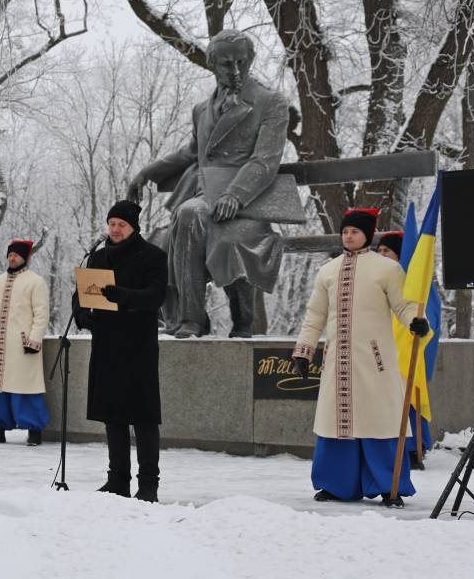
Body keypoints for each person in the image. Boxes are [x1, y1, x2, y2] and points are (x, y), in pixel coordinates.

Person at [126, 29, 289, 338]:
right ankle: (187, 318)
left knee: (190, 215)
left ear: (251, 60)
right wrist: (148, 173)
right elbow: (190, 152)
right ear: (213, 65)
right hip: (205, 197)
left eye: (242, 61)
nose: (236, 70)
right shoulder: (202, 109)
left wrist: (235, 195)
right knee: (171, 230)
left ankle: (194, 319)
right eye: (227, 64)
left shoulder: (270, 102)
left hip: (247, 204)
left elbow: (265, 160)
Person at [292, 210, 429, 507]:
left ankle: (389, 486)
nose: (348, 236)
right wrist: (304, 350)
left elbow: (404, 306)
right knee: (335, 422)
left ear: (368, 234)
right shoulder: (327, 270)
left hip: (375, 361)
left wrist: (416, 322)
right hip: (337, 361)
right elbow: (315, 315)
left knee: (379, 420)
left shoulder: (387, 269)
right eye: (345, 231)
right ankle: (334, 484)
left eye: (355, 231)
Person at [74, 200, 167, 502]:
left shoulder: (153, 256)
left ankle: (148, 485)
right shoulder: (98, 257)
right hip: (106, 345)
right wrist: (83, 315)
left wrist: (123, 296)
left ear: (133, 227)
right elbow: (82, 293)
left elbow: (155, 296)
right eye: (111, 223)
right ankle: (117, 481)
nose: (115, 229)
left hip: (137, 347)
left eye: (121, 225)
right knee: (112, 415)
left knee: (143, 417)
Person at [0, 240, 50, 446]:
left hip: (23, 346)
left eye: (16, 255)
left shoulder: (36, 282)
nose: (12, 258)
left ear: (25, 257)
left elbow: (41, 315)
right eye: (10, 254)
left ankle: (34, 430)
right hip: (1, 346)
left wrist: (33, 340)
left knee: (26, 388)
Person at [376, 230, 433, 469]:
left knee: (407, 395)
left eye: (386, 251)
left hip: (405, 347)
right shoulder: (377, 279)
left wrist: (419, 329)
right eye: (378, 251)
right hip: (380, 348)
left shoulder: (412, 285)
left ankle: (412, 447)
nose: (381, 255)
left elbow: (429, 320)